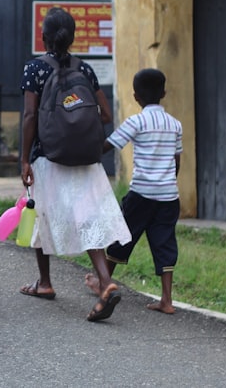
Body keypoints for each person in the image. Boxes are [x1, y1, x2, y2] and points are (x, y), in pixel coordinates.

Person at [18, 6, 131, 322]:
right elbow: (106, 115)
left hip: (49, 157)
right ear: (72, 37)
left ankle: (49, 282)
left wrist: (25, 158)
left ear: (44, 36)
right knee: (88, 219)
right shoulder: (85, 70)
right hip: (84, 158)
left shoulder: (34, 70)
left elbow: (29, 116)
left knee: (42, 213)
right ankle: (99, 281)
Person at [85, 68, 183, 314]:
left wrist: (84, 150)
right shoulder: (175, 124)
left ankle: (103, 282)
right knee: (165, 243)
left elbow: (108, 146)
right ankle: (167, 300)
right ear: (164, 93)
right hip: (169, 196)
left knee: (122, 236)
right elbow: (176, 161)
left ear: (136, 96)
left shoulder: (136, 121)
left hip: (141, 194)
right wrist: (167, 182)